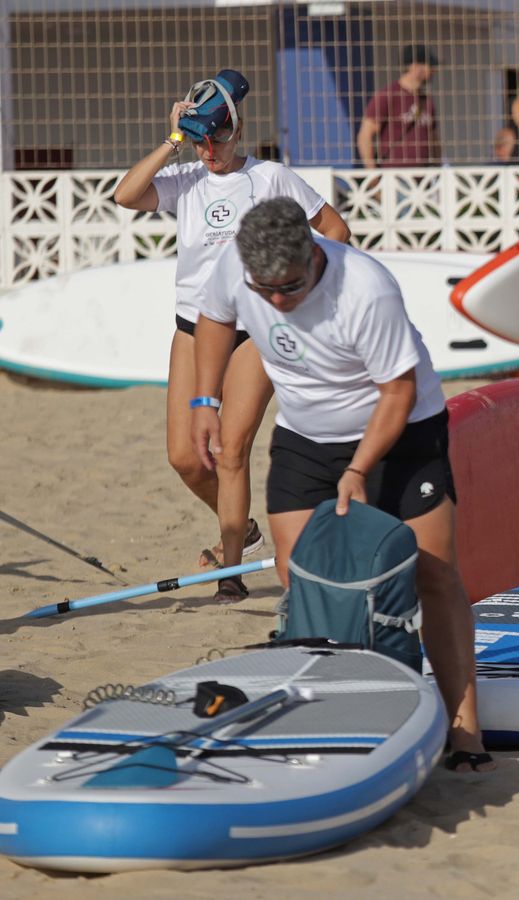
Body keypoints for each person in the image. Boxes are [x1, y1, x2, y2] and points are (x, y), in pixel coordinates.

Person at [190, 198, 492, 771]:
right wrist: (205, 398)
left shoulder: (365, 288)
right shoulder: (238, 268)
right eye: (265, 290)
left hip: (402, 428)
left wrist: (358, 469)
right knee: (299, 573)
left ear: (314, 254)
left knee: (433, 571)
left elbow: (398, 392)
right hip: (305, 434)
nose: (278, 301)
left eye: (291, 287)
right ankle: (327, 701)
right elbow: (214, 319)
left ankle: (464, 729)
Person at [113, 78, 351, 603]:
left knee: (230, 450)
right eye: (200, 141)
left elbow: (336, 230)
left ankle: (231, 576)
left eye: (215, 140)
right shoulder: (187, 177)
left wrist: (296, 290)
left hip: (253, 327)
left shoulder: (270, 177)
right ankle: (237, 526)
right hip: (195, 329)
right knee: (184, 457)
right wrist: (175, 140)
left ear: (236, 130)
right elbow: (125, 194)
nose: (209, 151)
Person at [358, 44, 441, 168]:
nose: (433, 71)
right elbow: (365, 135)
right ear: (415, 66)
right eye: (430, 65)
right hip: (395, 177)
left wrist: (437, 166)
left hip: (423, 179)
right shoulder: (389, 95)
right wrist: (372, 172)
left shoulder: (426, 100)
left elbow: (433, 138)